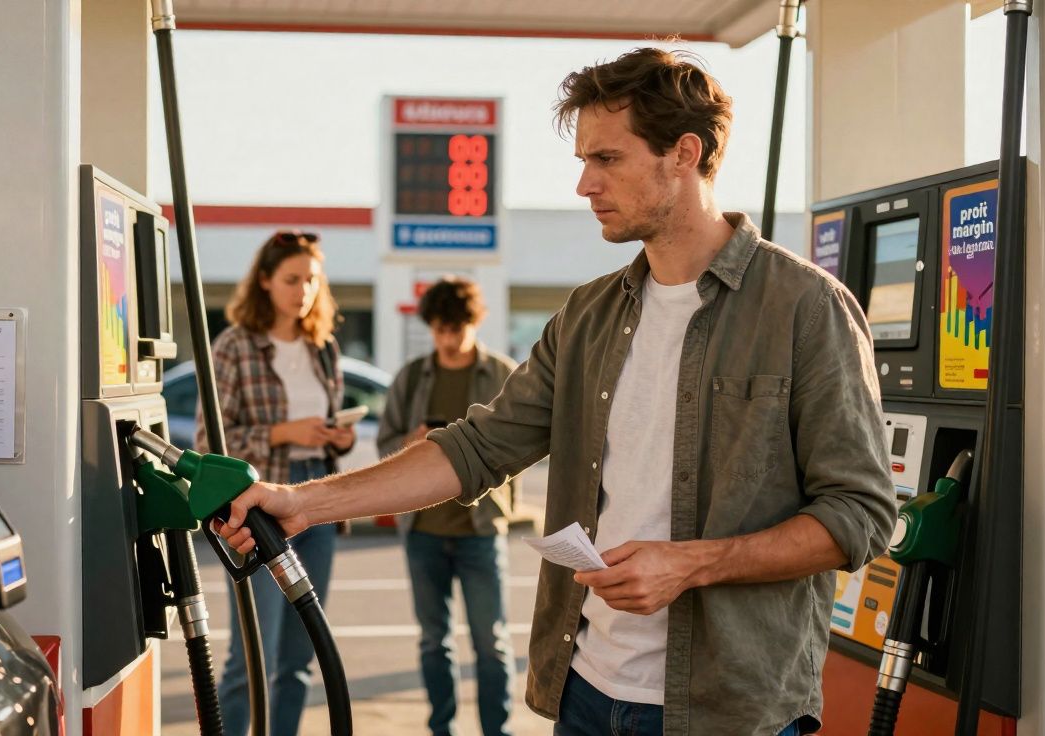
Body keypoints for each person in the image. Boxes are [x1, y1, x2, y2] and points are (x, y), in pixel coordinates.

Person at [216, 48, 895, 736]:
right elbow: (476, 448)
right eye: (583, 160)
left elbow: (861, 514)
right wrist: (303, 503)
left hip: (729, 710)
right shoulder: (587, 316)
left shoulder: (805, 308)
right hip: (585, 693)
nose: (584, 184)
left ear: (684, 154)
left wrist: (692, 564)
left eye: (607, 159)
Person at [196, 230, 355, 736]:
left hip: (317, 499)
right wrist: (283, 433)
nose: (303, 290)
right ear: (264, 281)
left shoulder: (323, 347)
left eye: (311, 279)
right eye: (291, 279)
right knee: (252, 656)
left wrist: (339, 439)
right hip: (257, 508)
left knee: (299, 657)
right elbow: (209, 442)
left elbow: (325, 427)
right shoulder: (234, 346)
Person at [377, 276, 519, 736]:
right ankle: (443, 729)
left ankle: (497, 731)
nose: (449, 338)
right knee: (433, 642)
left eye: (457, 328)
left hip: (481, 529)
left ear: (475, 322)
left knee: (491, 643)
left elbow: (524, 445)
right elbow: (385, 446)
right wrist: (412, 443)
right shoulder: (412, 377)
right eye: (440, 329)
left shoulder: (501, 374)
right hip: (423, 530)